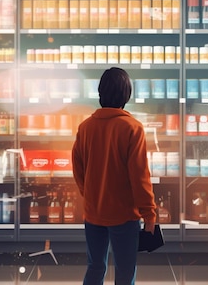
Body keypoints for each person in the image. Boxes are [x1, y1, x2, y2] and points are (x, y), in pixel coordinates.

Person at [72, 67, 157, 285]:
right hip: (124, 216)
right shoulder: (132, 128)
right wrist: (149, 214)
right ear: (126, 94)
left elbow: (78, 167)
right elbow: (140, 177)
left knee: (95, 267)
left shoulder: (85, 127)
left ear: (100, 93)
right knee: (125, 271)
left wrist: (89, 194)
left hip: (93, 213)